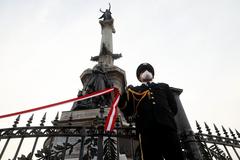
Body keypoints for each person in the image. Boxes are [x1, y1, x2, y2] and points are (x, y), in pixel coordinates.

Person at [119, 63, 184, 160]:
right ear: (139, 77)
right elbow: (127, 110)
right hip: (146, 130)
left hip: (167, 128)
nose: (146, 72)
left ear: (153, 75)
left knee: (175, 156)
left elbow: (173, 107)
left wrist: (166, 118)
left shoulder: (163, 86)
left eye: (148, 70)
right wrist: (124, 94)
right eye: (142, 71)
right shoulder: (134, 90)